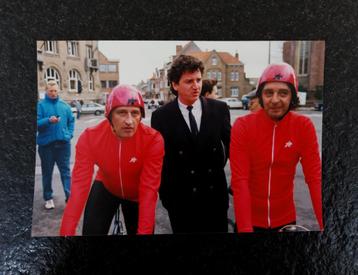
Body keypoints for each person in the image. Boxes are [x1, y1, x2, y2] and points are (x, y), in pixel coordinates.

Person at [230, 63, 323, 232]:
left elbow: (315, 178)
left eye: (283, 93)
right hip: (250, 219)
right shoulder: (243, 125)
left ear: (292, 97)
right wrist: (245, 229)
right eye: (268, 93)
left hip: (286, 219)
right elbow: (240, 181)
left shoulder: (303, 126)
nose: (275, 100)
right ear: (260, 96)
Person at [60, 85, 164, 236]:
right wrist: (66, 233)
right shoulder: (90, 137)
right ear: (109, 115)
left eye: (135, 113)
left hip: (136, 195)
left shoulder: (153, 140)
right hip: (106, 186)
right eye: (121, 112)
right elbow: (79, 188)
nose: (129, 121)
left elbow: (149, 190)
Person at [151, 55, 231, 233]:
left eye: (198, 80)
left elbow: (229, 148)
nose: (196, 86)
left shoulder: (219, 109)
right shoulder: (161, 117)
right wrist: (167, 196)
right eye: (189, 81)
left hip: (214, 198)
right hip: (181, 201)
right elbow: (161, 160)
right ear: (175, 84)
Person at [37, 80, 75, 209]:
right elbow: (36, 124)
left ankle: (69, 198)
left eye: (55, 91)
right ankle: (48, 198)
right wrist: (48, 120)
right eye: (50, 91)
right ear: (46, 91)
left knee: (66, 172)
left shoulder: (64, 106)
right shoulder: (40, 105)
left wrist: (69, 134)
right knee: (47, 173)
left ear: (58, 91)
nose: (53, 93)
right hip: (46, 146)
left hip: (63, 145)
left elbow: (71, 121)